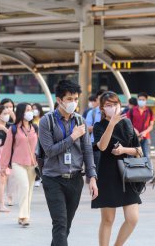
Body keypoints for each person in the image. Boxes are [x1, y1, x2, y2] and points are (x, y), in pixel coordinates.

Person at [39, 80, 98, 246]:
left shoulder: (80, 121)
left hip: (75, 179)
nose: (74, 103)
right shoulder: (46, 121)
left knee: (66, 227)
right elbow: (49, 151)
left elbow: (87, 150)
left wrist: (92, 177)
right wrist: (72, 137)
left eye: (76, 99)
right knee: (60, 223)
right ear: (59, 100)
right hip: (53, 178)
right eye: (70, 99)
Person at [92, 91, 143, 246]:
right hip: (107, 175)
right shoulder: (99, 126)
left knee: (133, 218)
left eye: (115, 104)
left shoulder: (127, 123)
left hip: (128, 175)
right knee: (108, 219)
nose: (113, 107)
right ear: (102, 108)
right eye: (108, 105)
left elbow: (139, 151)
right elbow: (102, 146)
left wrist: (124, 150)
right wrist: (112, 124)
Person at [1, 103, 38, 226]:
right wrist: (3, 166)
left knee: (29, 190)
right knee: (24, 187)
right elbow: (7, 148)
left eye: (31, 110)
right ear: (21, 112)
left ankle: (23, 215)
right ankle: (24, 216)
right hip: (18, 163)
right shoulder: (14, 129)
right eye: (28, 110)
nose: (30, 112)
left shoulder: (35, 128)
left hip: (32, 163)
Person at [127, 92, 155, 158]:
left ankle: (147, 168)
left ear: (146, 100)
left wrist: (145, 132)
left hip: (145, 137)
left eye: (143, 100)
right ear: (137, 100)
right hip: (133, 137)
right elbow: (128, 123)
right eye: (140, 99)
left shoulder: (149, 111)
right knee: (130, 155)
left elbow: (151, 125)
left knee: (146, 155)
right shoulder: (132, 110)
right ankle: (130, 168)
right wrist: (134, 130)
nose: (141, 101)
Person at [32, 103, 44, 187]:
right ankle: (36, 178)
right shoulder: (30, 120)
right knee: (34, 160)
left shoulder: (43, 119)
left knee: (41, 160)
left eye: (36, 108)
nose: (34, 110)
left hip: (42, 142)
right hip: (33, 142)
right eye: (33, 109)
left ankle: (40, 176)